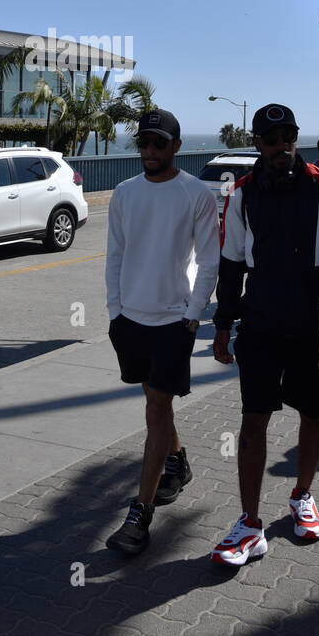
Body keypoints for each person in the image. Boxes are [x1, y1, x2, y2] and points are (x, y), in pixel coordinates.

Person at [209, 104, 319, 566]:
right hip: (260, 320)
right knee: (253, 418)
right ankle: (250, 525)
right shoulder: (241, 195)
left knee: (313, 415)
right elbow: (232, 265)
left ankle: (302, 496)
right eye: (271, 139)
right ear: (256, 143)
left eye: (289, 136)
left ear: (298, 138)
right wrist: (221, 326)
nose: (282, 146)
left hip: (315, 319)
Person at [105, 108, 220, 556]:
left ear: (176, 146)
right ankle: (178, 462)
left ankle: (140, 515)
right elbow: (115, 254)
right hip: (129, 321)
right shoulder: (124, 193)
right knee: (156, 402)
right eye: (144, 142)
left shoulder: (196, 194)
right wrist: (115, 311)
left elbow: (209, 260)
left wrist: (194, 315)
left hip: (173, 322)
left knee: (155, 408)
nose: (149, 150)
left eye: (159, 142)